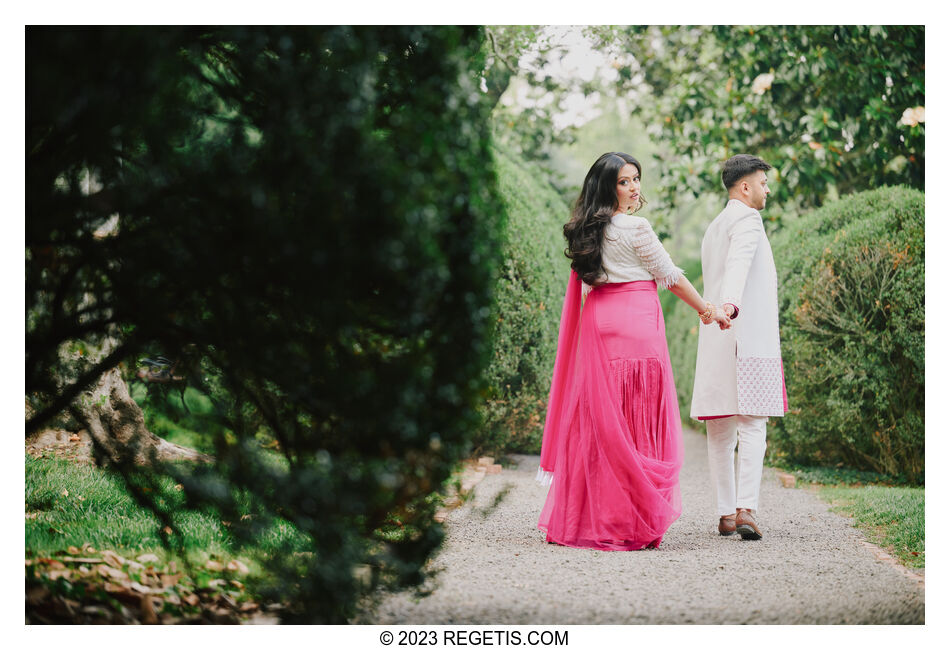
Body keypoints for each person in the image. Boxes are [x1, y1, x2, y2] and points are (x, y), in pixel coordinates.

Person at [537, 152, 731, 551]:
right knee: (634, 417)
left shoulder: (585, 231)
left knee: (602, 421)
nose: (634, 187)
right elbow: (671, 277)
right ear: (608, 187)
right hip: (636, 328)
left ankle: (589, 517)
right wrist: (708, 310)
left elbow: (588, 286)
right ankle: (630, 518)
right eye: (624, 181)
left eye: (636, 179)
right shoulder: (636, 228)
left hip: (600, 324)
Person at [690, 154, 788, 541]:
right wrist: (730, 305)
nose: (767, 189)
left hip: (716, 338)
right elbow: (740, 265)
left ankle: (725, 514)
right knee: (752, 422)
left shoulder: (714, 226)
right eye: (763, 182)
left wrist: (719, 310)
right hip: (745, 334)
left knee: (720, 427)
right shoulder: (748, 219)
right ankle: (746, 507)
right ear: (744, 186)